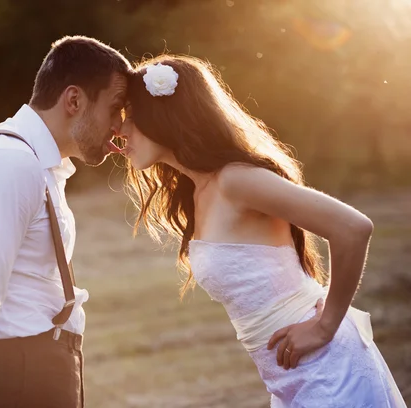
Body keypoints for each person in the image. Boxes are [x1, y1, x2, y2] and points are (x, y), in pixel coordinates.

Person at [119, 55, 406, 407]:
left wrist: (325, 324)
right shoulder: (199, 192)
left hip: (328, 371)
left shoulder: (235, 179)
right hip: (290, 379)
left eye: (130, 116)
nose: (121, 130)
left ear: (162, 116)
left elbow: (352, 227)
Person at [0, 35, 130, 408]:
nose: (119, 127)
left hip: (37, 369)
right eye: (115, 108)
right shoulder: (10, 162)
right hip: (17, 376)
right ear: (73, 100)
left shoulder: (36, 163)